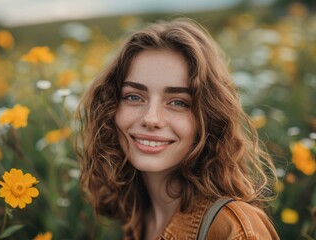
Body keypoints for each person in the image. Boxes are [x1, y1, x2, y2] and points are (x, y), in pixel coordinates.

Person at [76, 18, 280, 239]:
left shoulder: (234, 228)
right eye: (134, 97)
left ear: (208, 118)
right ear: (111, 107)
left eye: (178, 102)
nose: (151, 119)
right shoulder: (137, 219)